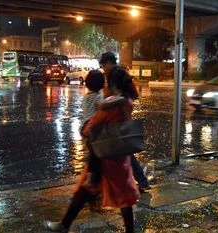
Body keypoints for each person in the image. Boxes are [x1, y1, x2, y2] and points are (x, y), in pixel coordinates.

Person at [44, 65, 140, 233]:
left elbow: (91, 127)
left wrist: (84, 129)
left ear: (112, 83)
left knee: (85, 188)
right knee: (124, 194)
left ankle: (64, 225)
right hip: (119, 155)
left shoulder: (111, 105)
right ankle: (130, 231)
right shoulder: (127, 101)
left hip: (103, 154)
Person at [99, 52, 151, 192]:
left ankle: (137, 181)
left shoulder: (115, 74)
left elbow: (116, 97)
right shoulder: (121, 72)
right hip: (123, 114)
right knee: (124, 151)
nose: (103, 69)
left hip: (120, 118)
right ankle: (139, 179)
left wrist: (104, 104)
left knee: (121, 151)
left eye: (103, 65)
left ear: (109, 62)